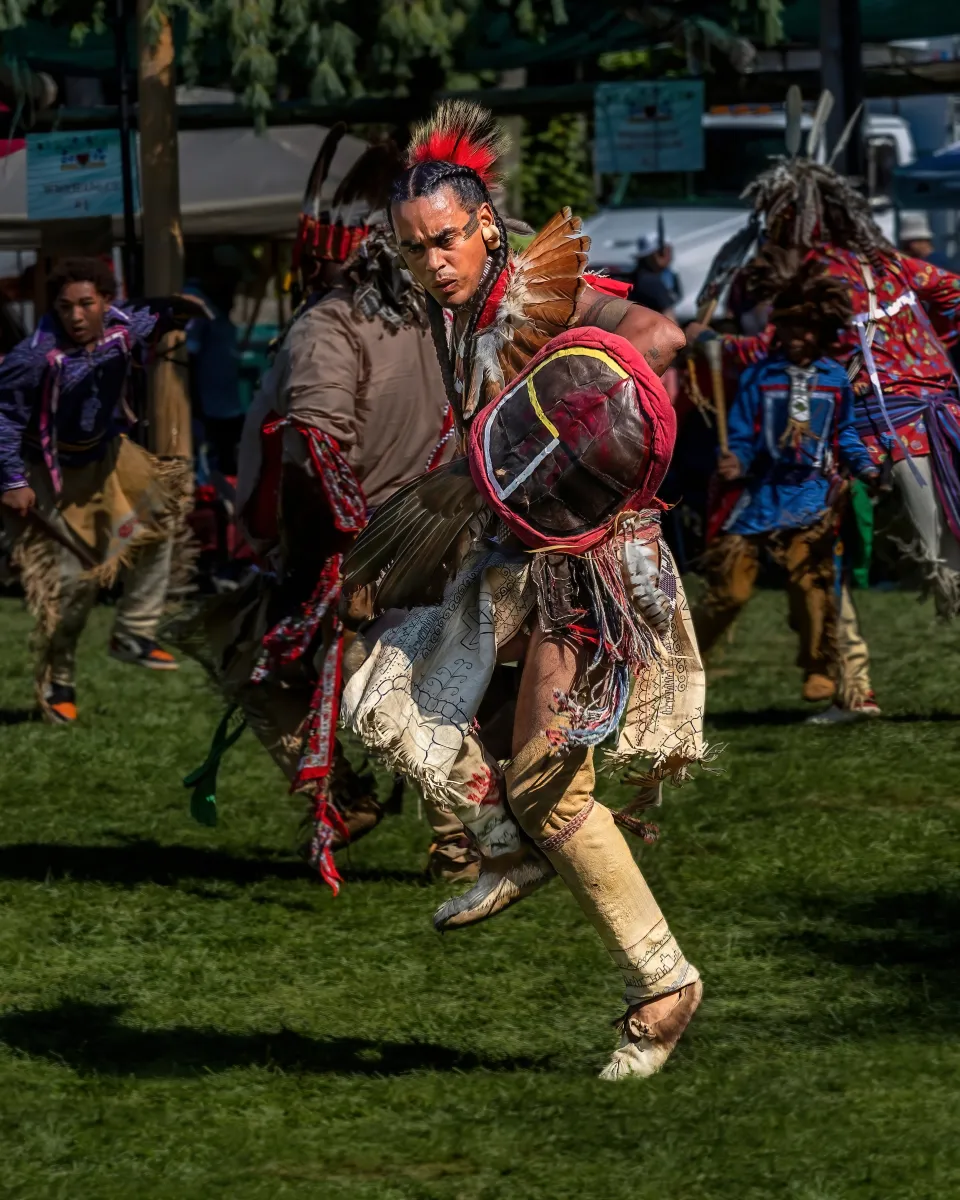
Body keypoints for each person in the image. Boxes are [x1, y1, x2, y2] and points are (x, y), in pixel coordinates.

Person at [342, 100, 707, 1080]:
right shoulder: (459, 317)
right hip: (514, 561)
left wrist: (568, 428)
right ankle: (505, 841)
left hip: (590, 569)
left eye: (446, 240)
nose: (433, 262)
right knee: (377, 699)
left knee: (547, 776)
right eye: (414, 249)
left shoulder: (547, 292)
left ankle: (663, 987)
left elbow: (659, 342)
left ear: (486, 227)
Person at [168, 128, 472, 889]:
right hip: (428, 539)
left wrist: (333, 562)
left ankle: (429, 818)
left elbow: (318, 444)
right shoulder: (430, 317)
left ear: (326, 254)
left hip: (358, 550)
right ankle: (449, 832)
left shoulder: (329, 326)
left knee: (279, 665)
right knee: (408, 684)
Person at [687, 143, 960, 624]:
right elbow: (953, 291)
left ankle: (843, 656)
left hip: (884, 434)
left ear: (792, 219)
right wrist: (926, 348)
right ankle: (846, 659)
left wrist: (710, 343)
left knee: (822, 538)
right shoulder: (887, 263)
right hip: (940, 415)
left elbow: (777, 350)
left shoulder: (819, 274)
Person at [0, 257, 203, 724]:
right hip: (49, 470)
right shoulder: (34, 358)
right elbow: (4, 420)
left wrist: (179, 309)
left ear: (105, 302)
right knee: (71, 583)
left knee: (161, 517)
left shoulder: (122, 327)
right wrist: (12, 481)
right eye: (65, 306)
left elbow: (153, 315)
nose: (75, 316)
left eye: (86, 304)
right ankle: (58, 683)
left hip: (108, 453)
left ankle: (133, 631)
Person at [693, 250, 881, 707]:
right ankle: (683, 658)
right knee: (730, 590)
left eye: (808, 329)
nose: (799, 338)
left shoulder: (834, 379)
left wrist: (866, 466)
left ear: (823, 332)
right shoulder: (761, 376)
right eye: (792, 328)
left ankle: (818, 666)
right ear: (780, 327)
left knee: (810, 579)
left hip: (812, 496)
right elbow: (741, 434)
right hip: (760, 493)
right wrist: (736, 460)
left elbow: (845, 434)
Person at [631, 232, 679, 316]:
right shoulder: (652, 282)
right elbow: (669, 318)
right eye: (667, 250)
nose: (669, 254)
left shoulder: (638, 276)